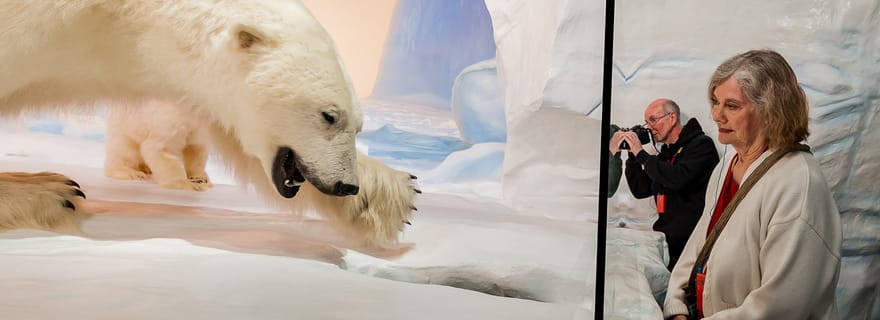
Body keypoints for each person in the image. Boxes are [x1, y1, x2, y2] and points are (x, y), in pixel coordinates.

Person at [663, 50, 842, 319]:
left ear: (771, 111)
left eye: (732, 106)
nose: (716, 115)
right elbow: (701, 242)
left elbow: (780, 306)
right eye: (715, 102)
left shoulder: (798, 183)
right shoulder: (727, 165)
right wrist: (677, 306)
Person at [611, 98, 720, 270]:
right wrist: (632, 156)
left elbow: (678, 179)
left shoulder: (701, 145)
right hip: (667, 243)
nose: (649, 128)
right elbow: (641, 189)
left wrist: (641, 154)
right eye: (647, 123)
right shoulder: (665, 154)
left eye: (653, 120)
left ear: (672, 118)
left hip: (693, 245)